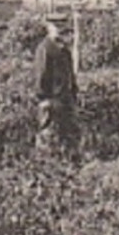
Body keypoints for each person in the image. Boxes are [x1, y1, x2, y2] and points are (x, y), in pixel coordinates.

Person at [33, 15, 78, 152]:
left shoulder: (65, 49)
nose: (59, 29)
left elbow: (70, 74)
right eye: (55, 25)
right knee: (48, 137)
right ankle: (47, 166)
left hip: (65, 100)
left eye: (62, 25)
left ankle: (69, 165)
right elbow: (41, 74)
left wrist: (73, 92)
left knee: (67, 137)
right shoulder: (45, 48)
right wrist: (43, 98)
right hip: (51, 100)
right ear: (48, 27)